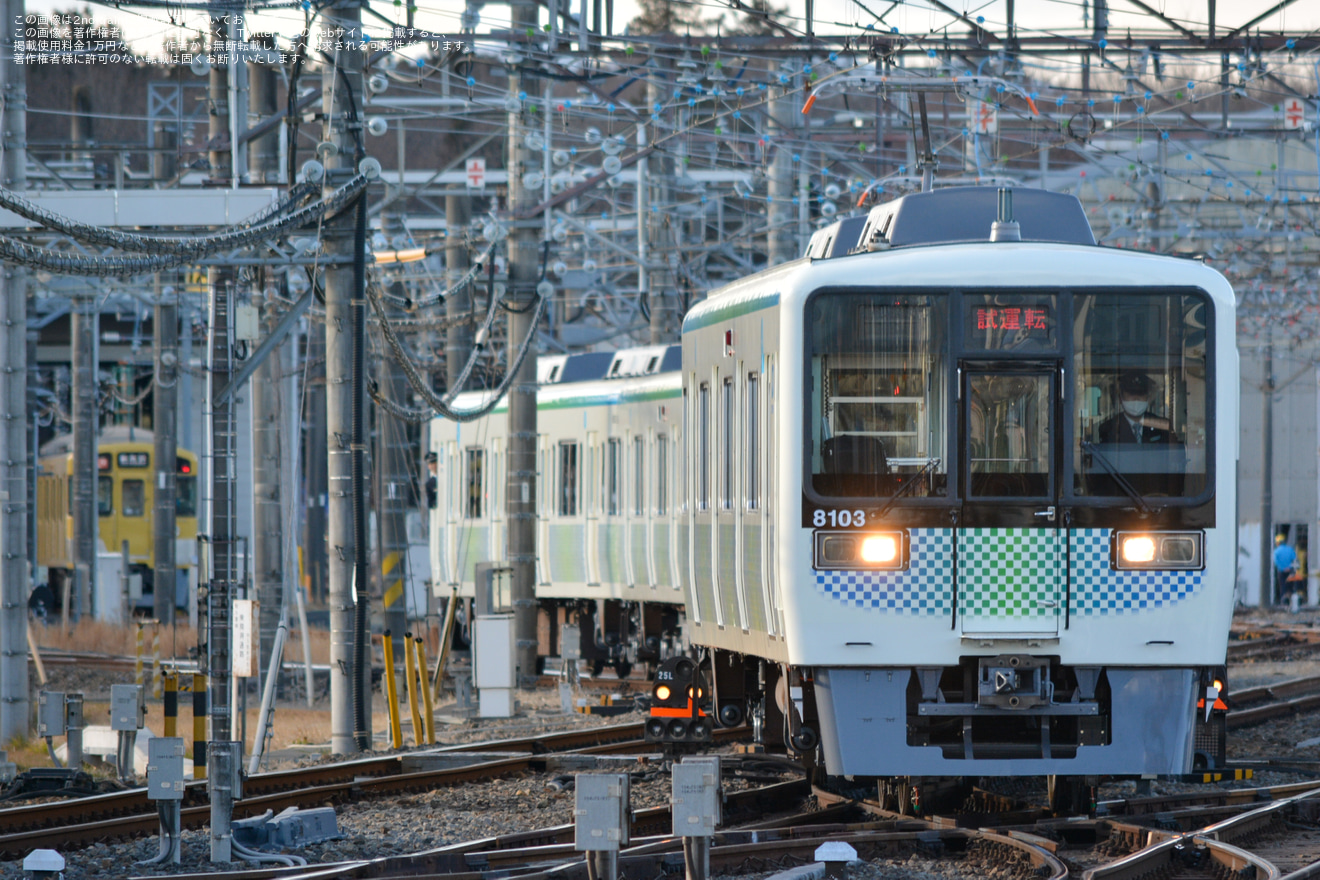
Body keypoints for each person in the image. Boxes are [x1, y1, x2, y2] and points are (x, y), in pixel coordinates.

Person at [1098, 372, 1174, 445]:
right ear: (1120, 398)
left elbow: (1174, 454)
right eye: (1131, 393)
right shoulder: (1108, 428)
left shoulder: (1163, 426)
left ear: (1148, 397)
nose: (1136, 398)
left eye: (1141, 393)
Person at [1274, 533, 1298, 605]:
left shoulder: (1276, 551)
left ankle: (1283, 601)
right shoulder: (1290, 549)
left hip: (1281, 571)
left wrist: (1282, 568)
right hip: (1290, 571)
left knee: (1282, 585)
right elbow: (1294, 559)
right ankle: (1291, 601)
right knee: (1290, 586)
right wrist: (1290, 568)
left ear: (1278, 543)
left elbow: (1276, 562)